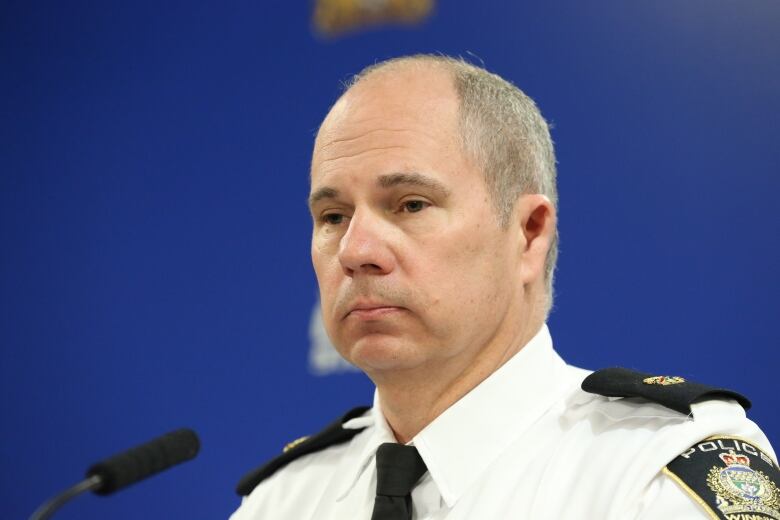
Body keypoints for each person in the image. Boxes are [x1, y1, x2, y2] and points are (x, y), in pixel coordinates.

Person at [230, 55, 778, 519]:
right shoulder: (282, 501)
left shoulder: (653, 471)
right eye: (332, 216)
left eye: (411, 205)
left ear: (529, 233)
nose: (355, 251)